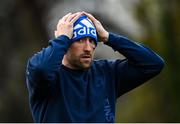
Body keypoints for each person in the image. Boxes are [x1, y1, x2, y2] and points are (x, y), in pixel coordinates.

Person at [26, 12, 164, 123]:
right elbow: (41, 69)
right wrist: (61, 39)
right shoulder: (47, 78)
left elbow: (153, 64)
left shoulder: (107, 73)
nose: (88, 48)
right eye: (79, 40)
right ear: (66, 43)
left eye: (92, 40)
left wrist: (109, 37)